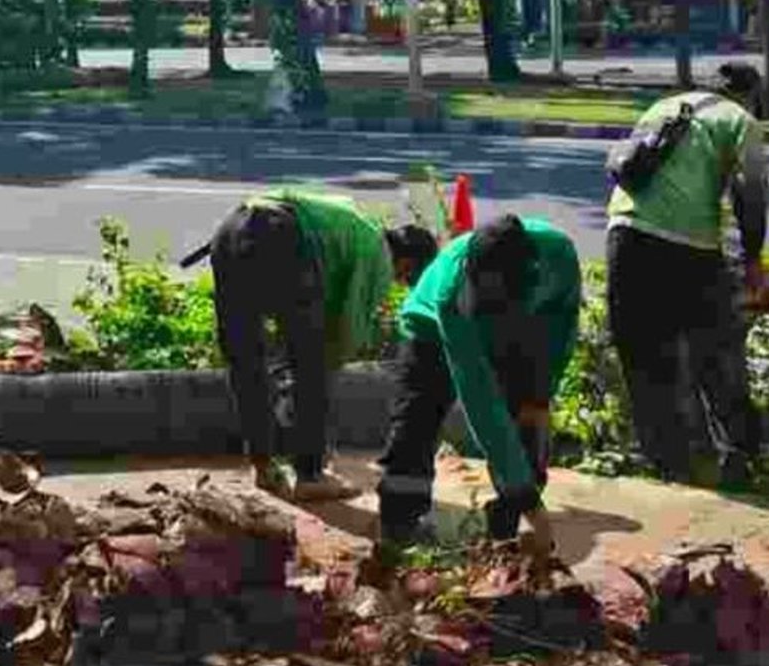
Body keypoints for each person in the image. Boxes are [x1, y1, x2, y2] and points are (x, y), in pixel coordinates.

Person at [198, 188, 438, 502]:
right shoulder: (378, 255)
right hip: (282, 236)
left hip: (231, 231)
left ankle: (264, 466)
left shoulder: (356, 225)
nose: (398, 281)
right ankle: (310, 474)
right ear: (406, 263)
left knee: (245, 359)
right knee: (313, 365)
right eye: (406, 278)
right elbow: (347, 331)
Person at [604, 61, 769, 491]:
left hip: (623, 235)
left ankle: (669, 468)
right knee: (715, 350)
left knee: (643, 355)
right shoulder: (741, 121)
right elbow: (750, 194)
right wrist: (752, 259)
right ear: (750, 95)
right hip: (687, 246)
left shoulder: (664, 106)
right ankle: (742, 453)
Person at [375, 214, 581, 557]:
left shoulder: (557, 255)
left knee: (528, 421)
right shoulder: (452, 295)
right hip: (429, 329)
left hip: (518, 328)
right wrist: (536, 509)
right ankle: (397, 531)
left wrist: (542, 393)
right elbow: (482, 404)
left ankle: (505, 529)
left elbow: (562, 326)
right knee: (417, 421)